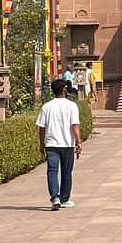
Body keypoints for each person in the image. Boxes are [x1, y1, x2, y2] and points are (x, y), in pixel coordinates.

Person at [37, 78, 82, 209]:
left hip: (51, 144)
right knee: (67, 172)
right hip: (67, 143)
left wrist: (41, 144)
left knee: (52, 171)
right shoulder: (72, 106)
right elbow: (75, 125)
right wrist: (79, 141)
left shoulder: (47, 107)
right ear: (64, 90)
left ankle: (55, 197)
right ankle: (64, 198)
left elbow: (42, 128)